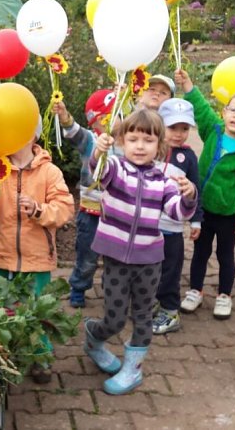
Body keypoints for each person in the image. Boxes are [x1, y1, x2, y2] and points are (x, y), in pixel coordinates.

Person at [83, 110, 197, 395]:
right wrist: (99, 153)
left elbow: (176, 211)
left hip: (149, 260)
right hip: (115, 257)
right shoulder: (117, 168)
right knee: (115, 317)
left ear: (159, 145)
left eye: (147, 140)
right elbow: (99, 173)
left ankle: (132, 369)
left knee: (143, 315)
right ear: (122, 140)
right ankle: (94, 338)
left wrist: (189, 195)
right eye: (133, 138)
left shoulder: (165, 180)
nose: (139, 146)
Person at [0, 122, 75, 383]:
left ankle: (40, 358)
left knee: (35, 312)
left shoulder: (49, 172)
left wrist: (39, 210)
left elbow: (64, 208)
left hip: (35, 259)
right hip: (0, 256)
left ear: (33, 135)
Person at [175, 69, 235, 320]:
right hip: (203, 209)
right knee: (200, 252)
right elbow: (202, 109)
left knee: (225, 255)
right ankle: (195, 290)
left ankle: (224, 295)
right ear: (225, 112)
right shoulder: (213, 132)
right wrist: (188, 85)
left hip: (228, 214)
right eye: (233, 109)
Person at [53, 90, 114, 308]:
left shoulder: (127, 142)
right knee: (87, 257)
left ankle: (113, 290)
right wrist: (64, 116)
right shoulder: (91, 140)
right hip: (91, 212)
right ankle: (79, 287)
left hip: (117, 214)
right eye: (110, 117)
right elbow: (73, 132)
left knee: (114, 258)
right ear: (97, 120)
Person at [152, 98, 203, 335]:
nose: (179, 134)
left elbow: (195, 189)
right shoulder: (150, 148)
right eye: (173, 127)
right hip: (147, 224)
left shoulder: (188, 157)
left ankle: (170, 311)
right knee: (150, 267)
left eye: (185, 129)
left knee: (170, 270)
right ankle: (152, 302)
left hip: (172, 227)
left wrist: (195, 220)